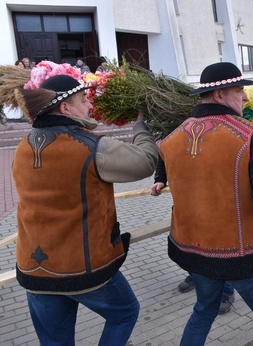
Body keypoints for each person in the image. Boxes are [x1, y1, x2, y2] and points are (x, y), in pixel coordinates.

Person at [156, 61, 253, 345]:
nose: (245, 97)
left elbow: (165, 162)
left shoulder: (172, 137)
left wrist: (159, 177)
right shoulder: (250, 136)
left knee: (203, 310)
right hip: (243, 254)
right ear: (220, 94)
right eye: (239, 90)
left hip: (193, 249)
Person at [12, 74, 158, 345]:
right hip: (83, 269)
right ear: (65, 108)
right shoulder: (90, 146)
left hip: (35, 270)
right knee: (125, 313)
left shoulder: (22, 147)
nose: (90, 105)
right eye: (83, 99)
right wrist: (140, 126)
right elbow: (145, 162)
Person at [150, 166, 236, 315]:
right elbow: (163, 157)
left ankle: (226, 291)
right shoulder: (168, 142)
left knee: (218, 249)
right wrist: (161, 179)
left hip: (213, 200)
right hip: (185, 204)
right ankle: (196, 275)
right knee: (187, 247)